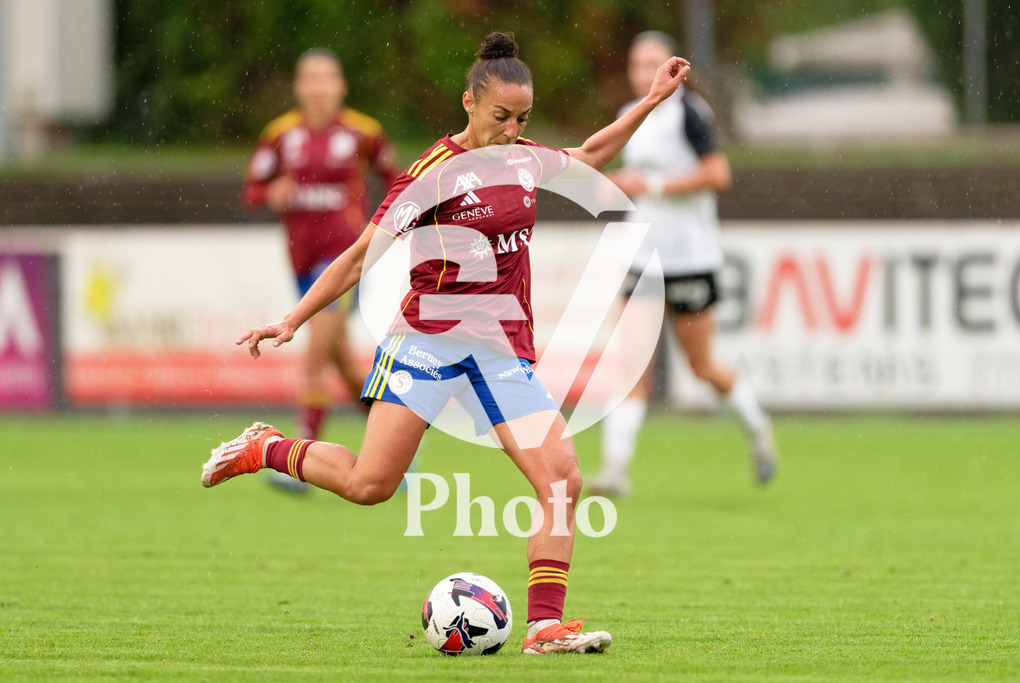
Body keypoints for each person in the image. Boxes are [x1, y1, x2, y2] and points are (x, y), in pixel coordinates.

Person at [205, 32, 690, 655]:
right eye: (500, 117)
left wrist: (648, 101)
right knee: (370, 484)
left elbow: (591, 153)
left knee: (561, 480)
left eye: (522, 119)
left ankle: (544, 627)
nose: (512, 130)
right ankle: (266, 448)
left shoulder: (521, 157)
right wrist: (294, 319)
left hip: (501, 352)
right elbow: (358, 260)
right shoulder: (432, 173)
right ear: (468, 102)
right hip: (426, 344)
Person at [588, 31, 777, 498]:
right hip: (644, 260)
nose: (645, 72)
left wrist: (648, 183)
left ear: (676, 69)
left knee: (701, 367)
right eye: (638, 63)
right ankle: (614, 470)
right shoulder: (627, 116)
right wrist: (616, 186)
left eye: (655, 62)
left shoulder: (690, 112)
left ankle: (758, 430)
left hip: (691, 260)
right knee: (631, 366)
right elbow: (628, 178)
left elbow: (718, 174)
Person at [242, 47, 398, 493]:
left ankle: (297, 461)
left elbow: (399, 184)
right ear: (298, 87)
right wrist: (272, 193)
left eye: (326, 78)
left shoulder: (364, 133)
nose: (318, 87)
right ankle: (395, 447)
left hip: (346, 261)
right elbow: (253, 188)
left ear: (341, 86)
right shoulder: (280, 134)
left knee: (313, 358)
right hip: (301, 261)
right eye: (309, 78)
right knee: (346, 366)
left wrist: (387, 231)